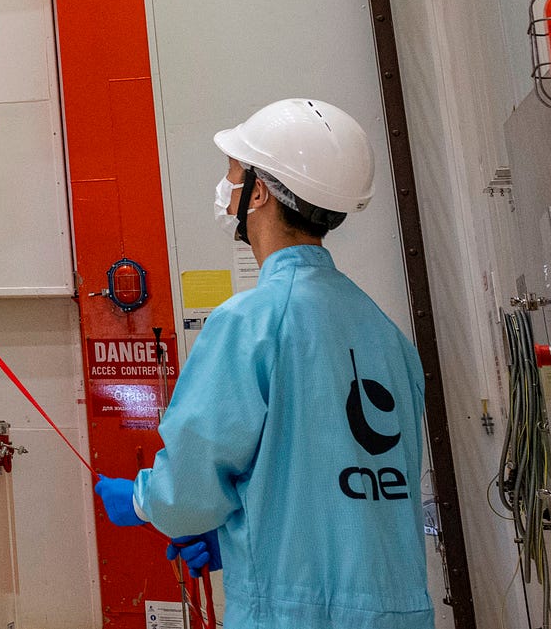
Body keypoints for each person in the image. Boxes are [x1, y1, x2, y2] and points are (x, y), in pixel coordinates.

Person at [93, 99, 432, 628]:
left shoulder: (250, 322)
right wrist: (245, 532)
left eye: (233, 172)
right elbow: (342, 481)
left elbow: (189, 485)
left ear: (259, 192)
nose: (225, 186)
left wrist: (140, 499)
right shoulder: (385, 334)